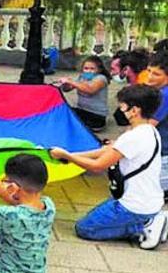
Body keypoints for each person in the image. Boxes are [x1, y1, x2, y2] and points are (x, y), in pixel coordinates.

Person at [50, 85, 166, 249]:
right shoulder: (150, 131)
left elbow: (98, 166)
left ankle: (144, 226)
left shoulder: (133, 137)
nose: (120, 109)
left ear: (134, 110)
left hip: (134, 205)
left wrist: (68, 157)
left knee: (85, 228)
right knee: (94, 217)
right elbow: (106, 151)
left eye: (123, 106)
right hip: (148, 199)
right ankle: (151, 218)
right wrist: (69, 155)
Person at [57, 56, 110, 131]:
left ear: (99, 70)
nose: (88, 71)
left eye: (92, 69)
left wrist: (71, 81)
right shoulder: (81, 77)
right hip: (83, 112)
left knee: (64, 117)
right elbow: (66, 89)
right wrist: (65, 83)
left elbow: (90, 89)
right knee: (61, 110)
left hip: (97, 116)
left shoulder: (101, 78)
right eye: (86, 68)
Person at [146, 52, 168, 199]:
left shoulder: (164, 96)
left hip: (163, 149)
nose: (150, 76)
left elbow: (147, 127)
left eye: (156, 74)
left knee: (154, 193)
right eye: (149, 71)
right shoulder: (159, 92)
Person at [110, 49, 150, 125]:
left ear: (126, 69)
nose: (111, 73)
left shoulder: (145, 84)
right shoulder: (140, 79)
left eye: (113, 69)